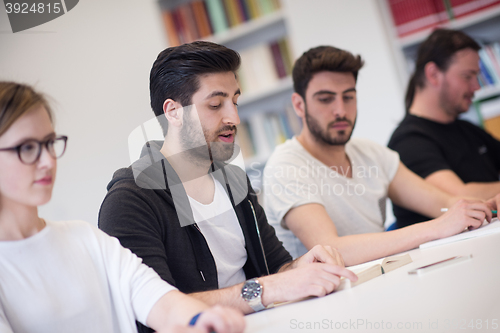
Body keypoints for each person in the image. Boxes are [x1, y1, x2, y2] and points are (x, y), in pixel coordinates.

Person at [98, 41, 357, 329]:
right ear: (173, 112)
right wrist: (268, 289)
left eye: (235, 101)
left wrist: (303, 266)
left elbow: (276, 266)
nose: (233, 117)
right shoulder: (130, 201)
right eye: (215, 104)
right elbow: (155, 311)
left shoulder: (233, 179)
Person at [0, 81, 245, 333]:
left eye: (49, 143)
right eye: (27, 147)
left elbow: (159, 299)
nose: (47, 161)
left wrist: (200, 320)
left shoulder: (84, 238)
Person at [263, 45, 497, 266]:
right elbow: (330, 249)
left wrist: (488, 206)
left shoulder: (371, 153)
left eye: (348, 96)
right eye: (325, 99)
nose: (341, 111)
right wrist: (437, 227)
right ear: (299, 105)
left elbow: (444, 204)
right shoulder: (286, 165)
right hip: (323, 300)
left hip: (381, 279)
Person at [388, 28, 500, 227]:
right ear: (433, 74)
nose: (476, 86)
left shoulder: (467, 129)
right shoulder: (408, 142)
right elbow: (460, 196)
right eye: (467, 76)